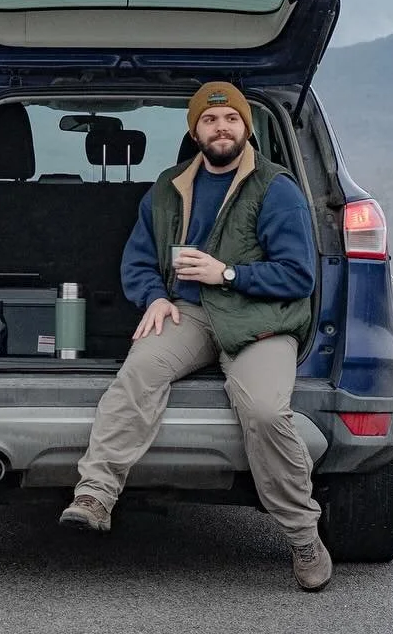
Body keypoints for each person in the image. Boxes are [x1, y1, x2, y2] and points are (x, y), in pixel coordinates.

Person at [57, 81, 332, 592]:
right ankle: (94, 494)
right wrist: (155, 297)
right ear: (195, 129)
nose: (221, 128)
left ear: (246, 127)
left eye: (230, 120)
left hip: (259, 320)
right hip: (190, 312)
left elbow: (299, 276)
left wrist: (226, 274)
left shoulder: (277, 188)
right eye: (209, 120)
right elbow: (137, 259)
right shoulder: (169, 187)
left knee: (267, 411)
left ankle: (302, 534)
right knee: (139, 371)